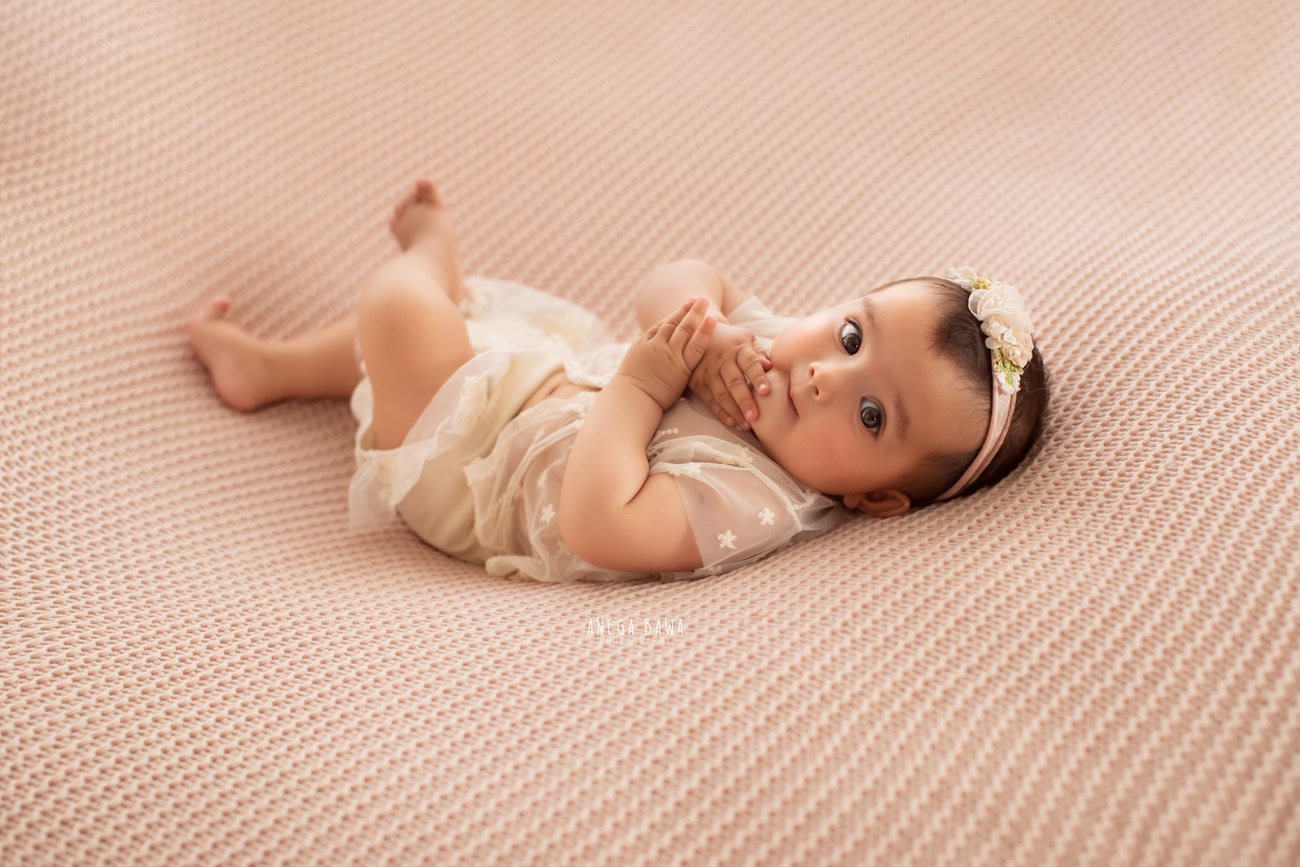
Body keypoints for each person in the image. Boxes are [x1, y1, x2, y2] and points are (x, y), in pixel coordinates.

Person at [187, 178, 1050, 583]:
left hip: (476, 479)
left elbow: (599, 524)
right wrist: (703, 330)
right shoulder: (770, 351)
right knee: (460, 334)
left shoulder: (757, 499)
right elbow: (678, 276)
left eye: (871, 415)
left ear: (877, 498)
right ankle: (270, 369)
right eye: (852, 333)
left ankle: (426, 257)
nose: (826, 374)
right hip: (536, 385)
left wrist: (642, 388)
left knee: (404, 316)